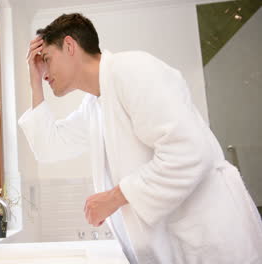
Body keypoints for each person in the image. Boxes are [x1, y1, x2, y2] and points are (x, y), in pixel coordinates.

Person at [18, 13, 262, 264]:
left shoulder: (133, 71)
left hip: (213, 241)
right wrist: (34, 80)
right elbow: (50, 147)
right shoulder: (95, 105)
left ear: (69, 46)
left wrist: (112, 199)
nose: (45, 72)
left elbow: (189, 152)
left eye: (46, 59)